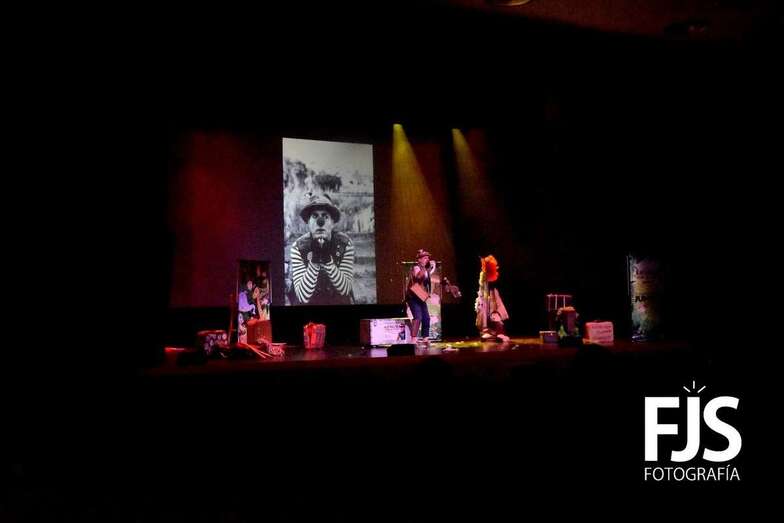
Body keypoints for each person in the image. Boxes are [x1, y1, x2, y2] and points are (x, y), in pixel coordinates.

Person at [290, 192, 355, 305]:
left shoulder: (345, 244)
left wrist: (328, 261)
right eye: (314, 216)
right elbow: (302, 296)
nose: (320, 222)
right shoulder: (298, 248)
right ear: (308, 222)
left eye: (325, 216)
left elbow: (345, 290)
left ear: (333, 222)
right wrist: (314, 261)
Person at [475, 255, 510, 342]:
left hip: (491, 296)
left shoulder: (492, 283)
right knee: (485, 314)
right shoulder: (483, 277)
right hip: (485, 296)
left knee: (494, 313)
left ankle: (498, 332)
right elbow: (482, 286)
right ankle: (487, 331)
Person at [406, 249, 436, 344]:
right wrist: (425, 268)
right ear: (419, 260)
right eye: (425, 258)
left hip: (420, 295)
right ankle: (413, 338)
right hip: (413, 296)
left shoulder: (425, 270)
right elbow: (418, 278)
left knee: (426, 317)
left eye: (428, 258)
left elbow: (426, 283)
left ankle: (425, 337)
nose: (427, 259)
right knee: (418, 317)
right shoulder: (416, 268)